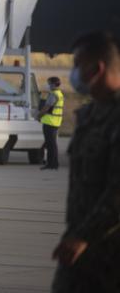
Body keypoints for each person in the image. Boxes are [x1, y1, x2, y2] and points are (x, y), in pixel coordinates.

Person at [51, 31, 120, 292]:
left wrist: (83, 236)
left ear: (97, 69)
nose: (74, 73)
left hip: (109, 252)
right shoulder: (91, 114)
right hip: (80, 245)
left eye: (77, 65)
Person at [38, 76, 64, 171]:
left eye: (48, 83)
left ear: (52, 84)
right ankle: (54, 164)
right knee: (52, 144)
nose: (47, 85)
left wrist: (39, 116)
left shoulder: (53, 94)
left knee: (50, 144)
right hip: (55, 122)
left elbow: (47, 107)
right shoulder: (59, 94)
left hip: (50, 123)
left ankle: (51, 164)